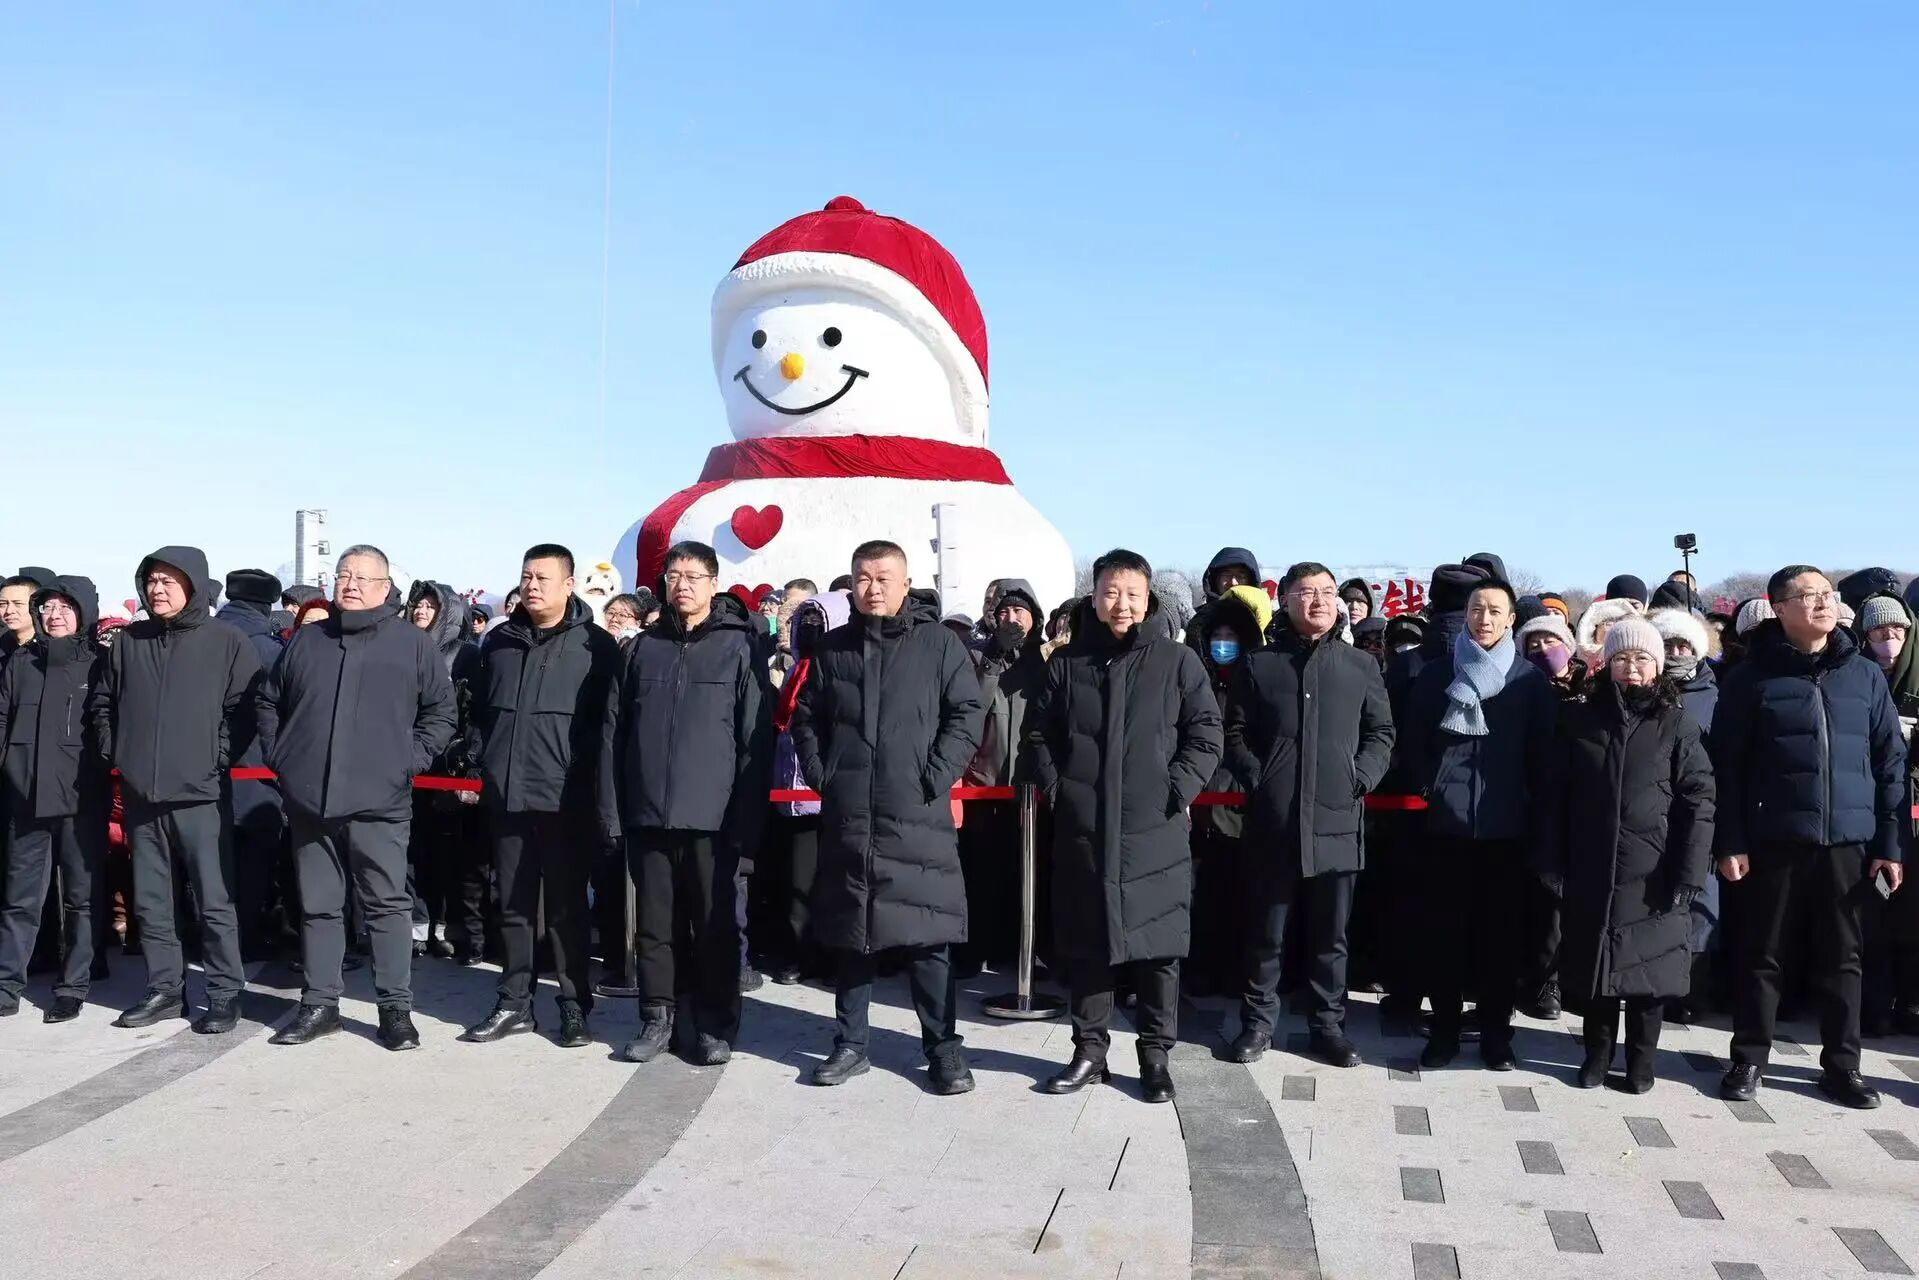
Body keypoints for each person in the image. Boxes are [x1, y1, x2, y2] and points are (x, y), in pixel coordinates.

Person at [1028, 549, 1222, 1104]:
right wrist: (1061, 790)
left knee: (1158, 949)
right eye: (1111, 592)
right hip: (1085, 830)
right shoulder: (1067, 664)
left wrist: (1175, 790)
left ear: (1148, 598)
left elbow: (1206, 733)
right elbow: (1038, 735)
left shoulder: (1177, 662)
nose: (1122, 604)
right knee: (1087, 945)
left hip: (1153, 830)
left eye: (1133, 594)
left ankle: (1155, 1055)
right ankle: (1089, 1051)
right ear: (1094, 597)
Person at [791, 540, 983, 1093]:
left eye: (883, 578)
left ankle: (943, 1049)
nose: (872, 588)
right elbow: (806, 717)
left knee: (928, 936)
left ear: (905, 583)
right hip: (851, 814)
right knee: (852, 933)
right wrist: (825, 774)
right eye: (863, 578)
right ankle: (851, 1044)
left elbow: (967, 713)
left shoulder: (938, 644)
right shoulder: (833, 649)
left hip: (915, 811)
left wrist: (934, 774)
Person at [1712, 566, 1906, 1110]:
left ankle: (1843, 1066)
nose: (1822, 603)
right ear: (1779, 608)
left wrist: (1890, 846)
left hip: (1849, 842)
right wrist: (1731, 840)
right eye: (1808, 596)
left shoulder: (1862, 673)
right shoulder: (1750, 679)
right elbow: (1726, 768)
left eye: (1826, 594)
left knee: (1844, 957)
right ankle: (1749, 1056)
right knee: (1763, 953)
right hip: (1772, 839)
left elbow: (1891, 762)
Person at [256, 545, 456, 1051]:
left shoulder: (412, 644)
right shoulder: (308, 639)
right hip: (310, 800)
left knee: (386, 906)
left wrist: (407, 761)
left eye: (364, 578)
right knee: (319, 906)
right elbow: (269, 701)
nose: (351, 584)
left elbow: (441, 713)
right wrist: (283, 758)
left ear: (385, 588)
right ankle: (320, 1004)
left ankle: (395, 1009)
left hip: (380, 801)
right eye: (344, 575)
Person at [1223, 562, 1394, 1068]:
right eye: (1306, 592)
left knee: (1330, 937)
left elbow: (1381, 733)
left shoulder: (1360, 666)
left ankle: (1328, 1026)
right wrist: (1259, 778)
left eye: (1326, 591)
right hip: (1274, 822)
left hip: (1337, 821)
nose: (1318, 600)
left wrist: (1360, 777)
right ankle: (1258, 1023)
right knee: (1266, 932)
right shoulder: (1260, 664)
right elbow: (1235, 732)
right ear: (1286, 600)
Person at [607, 541, 771, 1066]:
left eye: (694, 576)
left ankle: (714, 1023)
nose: (682, 585)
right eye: (674, 575)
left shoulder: (739, 648)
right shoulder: (642, 648)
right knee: (655, 926)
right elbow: (615, 733)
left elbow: (754, 741)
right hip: (649, 813)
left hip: (712, 819)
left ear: (714, 584)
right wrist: (615, 811)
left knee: (714, 926)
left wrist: (746, 822)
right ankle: (659, 1016)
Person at [88, 546, 259, 1033]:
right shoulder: (129, 642)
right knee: (151, 900)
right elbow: (103, 704)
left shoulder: (226, 640)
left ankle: (224, 991)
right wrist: (119, 752)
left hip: (200, 794)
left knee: (213, 899)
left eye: (168, 581)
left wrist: (216, 758)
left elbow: (244, 711)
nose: (157, 589)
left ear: (193, 585)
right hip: (142, 794)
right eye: (151, 581)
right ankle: (165, 988)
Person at [1542, 617, 1714, 1092]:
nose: (1631, 667)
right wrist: (1551, 858)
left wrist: (1690, 870)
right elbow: (1554, 796)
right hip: (1591, 865)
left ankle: (1641, 1062)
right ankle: (1596, 1056)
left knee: (1649, 975)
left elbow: (1699, 800)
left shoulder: (1677, 724)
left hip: (1655, 870)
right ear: (1607, 663)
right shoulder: (1580, 719)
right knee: (1596, 968)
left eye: (1641, 658)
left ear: (1657, 665)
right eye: (1621, 658)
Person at [463, 545, 621, 1050]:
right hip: (507, 796)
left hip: (565, 801)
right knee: (511, 903)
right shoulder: (498, 642)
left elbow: (608, 729)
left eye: (543, 578)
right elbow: (479, 715)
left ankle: (574, 1006)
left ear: (569, 585)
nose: (532, 586)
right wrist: (479, 761)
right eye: (526, 577)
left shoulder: (596, 647)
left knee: (566, 909)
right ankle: (514, 1002)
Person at [1404, 578, 1556, 1070]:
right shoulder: (1437, 674)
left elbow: (1543, 757)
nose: (1484, 619)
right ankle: (1444, 1030)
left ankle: (1496, 1034)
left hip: (1507, 831)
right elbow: (1413, 741)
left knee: (1500, 940)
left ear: (1510, 619)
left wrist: (1529, 807)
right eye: (1476, 609)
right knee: (1443, 936)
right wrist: (1432, 787)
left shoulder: (1528, 681)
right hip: (1446, 827)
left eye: (1494, 610)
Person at [0, 577, 109, 1022]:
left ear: (82, 613)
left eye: (65, 607)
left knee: (80, 899)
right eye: (47, 607)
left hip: (81, 801)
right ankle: (7, 984)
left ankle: (73, 986)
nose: (54, 615)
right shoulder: (21, 662)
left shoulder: (99, 663)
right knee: (19, 898)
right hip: (26, 800)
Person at [1185, 585, 1271, 998]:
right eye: (1216, 637)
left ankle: (1238, 973)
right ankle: (1199, 971)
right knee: (1199, 896)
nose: (1223, 644)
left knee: (1241, 896)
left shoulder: (1256, 683)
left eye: (1231, 637)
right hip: (1199, 806)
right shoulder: (1192, 682)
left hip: (1242, 808)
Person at [959, 579, 1048, 974]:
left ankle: (1022, 949)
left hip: (1030, 789)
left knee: (1026, 872)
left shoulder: (1045, 663)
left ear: (1034, 618)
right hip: (985, 783)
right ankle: (974, 947)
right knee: (980, 870)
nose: (1011, 619)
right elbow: (970, 710)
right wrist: (993, 662)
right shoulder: (978, 659)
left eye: (1019, 612)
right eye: (1004, 612)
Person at [766, 589, 850, 984]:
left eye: (819, 623)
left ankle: (833, 958)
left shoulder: (841, 673)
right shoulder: (795, 672)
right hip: (793, 795)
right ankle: (798, 954)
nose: (811, 629)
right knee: (797, 881)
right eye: (806, 623)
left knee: (833, 884)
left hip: (829, 794)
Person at [1513, 610, 1589, 1021]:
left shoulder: (1591, 689)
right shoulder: (1519, 687)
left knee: (1566, 901)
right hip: (1529, 804)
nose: (1543, 649)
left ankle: (1563, 980)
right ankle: (1536, 980)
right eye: (1534, 644)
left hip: (1579, 806)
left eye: (1551, 641)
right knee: (1535, 900)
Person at [1649, 605, 1724, 1021]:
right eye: (1668, 645)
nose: (1677, 652)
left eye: (1684, 645)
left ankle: (1693, 991)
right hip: (1651, 815)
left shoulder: (1717, 695)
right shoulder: (1645, 690)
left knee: (1700, 904)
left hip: (1701, 814)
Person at [403, 580, 482, 961]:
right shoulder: (401, 648)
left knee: (449, 855)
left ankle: (446, 927)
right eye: (418, 604)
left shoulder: (466, 655)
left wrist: (464, 760)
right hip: (406, 765)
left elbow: (473, 713)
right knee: (410, 851)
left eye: (431, 606)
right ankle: (416, 927)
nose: (421, 611)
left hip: (447, 767)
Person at [214, 569, 290, 962]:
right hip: (255, 770)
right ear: (265, 605)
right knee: (253, 865)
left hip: (204, 771)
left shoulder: (205, 636)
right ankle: (245, 939)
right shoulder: (266, 647)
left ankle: (214, 939)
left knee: (214, 866)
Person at [1853, 593, 1919, 1037]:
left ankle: (1910, 1000)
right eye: (1878, 630)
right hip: (1870, 806)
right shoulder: (1856, 676)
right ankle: (1874, 1002)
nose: (1889, 637)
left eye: (1897, 629)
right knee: (1873, 908)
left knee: (1912, 911)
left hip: (1914, 809)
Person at [1184, 546, 1261, 666]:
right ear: (1215, 579)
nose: (1233, 583)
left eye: (1241, 577)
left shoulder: (1264, 619)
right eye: (1226, 575)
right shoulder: (1196, 620)